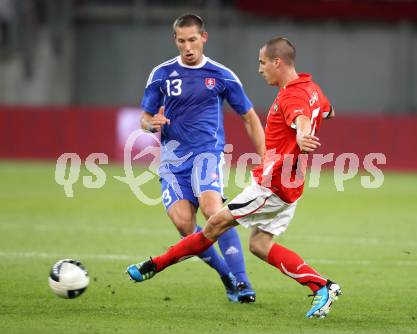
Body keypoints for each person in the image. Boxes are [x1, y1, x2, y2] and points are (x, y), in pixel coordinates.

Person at [127, 36, 342, 318]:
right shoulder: (310, 87)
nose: (259, 69)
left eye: (262, 62)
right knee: (259, 245)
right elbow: (328, 111)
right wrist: (302, 132)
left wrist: (301, 134)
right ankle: (321, 286)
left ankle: (155, 264)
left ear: (278, 62)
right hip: (291, 184)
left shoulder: (292, 96)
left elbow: (301, 119)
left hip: (271, 186)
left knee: (213, 225)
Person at [129, 14, 265, 303]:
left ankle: (243, 282)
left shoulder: (221, 75)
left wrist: (266, 156)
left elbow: (249, 117)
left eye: (193, 39)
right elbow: (144, 117)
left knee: (213, 211)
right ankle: (225, 276)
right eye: (182, 41)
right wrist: (150, 124)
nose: (188, 46)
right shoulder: (162, 74)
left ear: (204, 37)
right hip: (173, 160)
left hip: (208, 154)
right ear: (175, 40)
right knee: (183, 224)